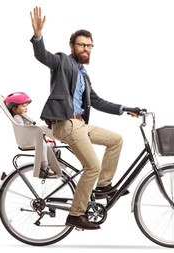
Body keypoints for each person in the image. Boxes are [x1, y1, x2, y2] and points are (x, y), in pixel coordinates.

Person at [30, 6, 140, 230]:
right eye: (81, 45)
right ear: (72, 46)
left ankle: (103, 186)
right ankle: (76, 214)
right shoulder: (63, 62)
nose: (86, 49)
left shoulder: (84, 75)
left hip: (79, 124)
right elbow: (43, 56)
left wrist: (124, 108)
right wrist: (38, 36)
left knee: (116, 140)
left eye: (89, 46)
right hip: (65, 123)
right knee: (92, 166)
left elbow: (97, 101)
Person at [5, 91, 56, 178]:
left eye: (26, 106)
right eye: (23, 106)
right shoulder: (17, 118)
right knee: (43, 145)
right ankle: (44, 167)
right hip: (27, 139)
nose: (26, 108)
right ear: (14, 109)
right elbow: (23, 129)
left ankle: (54, 162)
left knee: (49, 145)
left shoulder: (22, 116)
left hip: (31, 137)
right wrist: (37, 132)